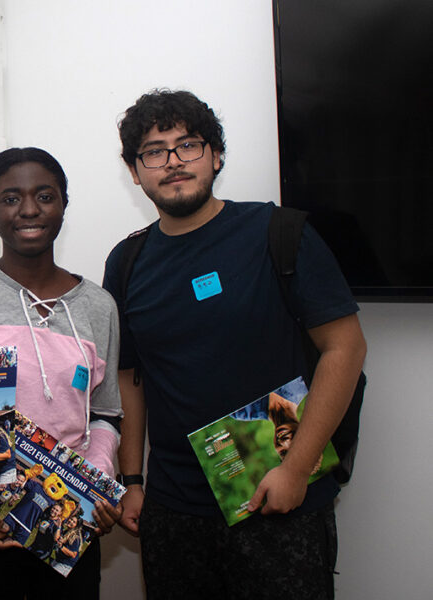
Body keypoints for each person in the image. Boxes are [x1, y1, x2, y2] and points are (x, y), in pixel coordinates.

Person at [104, 89, 367, 599]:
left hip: (279, 497)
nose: (174, 162)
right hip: (174, 509)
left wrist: (293, 471)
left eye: (189, 145)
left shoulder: (280, 232)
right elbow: (130, 378)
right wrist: (132, 481)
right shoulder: (126, 261)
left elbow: (346, 349)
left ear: (216, 154)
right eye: (154, 151)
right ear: (135, 171)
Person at [0, 147, 123, 598]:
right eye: (10, 198)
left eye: (44, 196)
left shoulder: (98, 307)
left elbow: (106, 415)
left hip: (68, 520)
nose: (29, 209)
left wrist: (93, 484)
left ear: (64, 205)